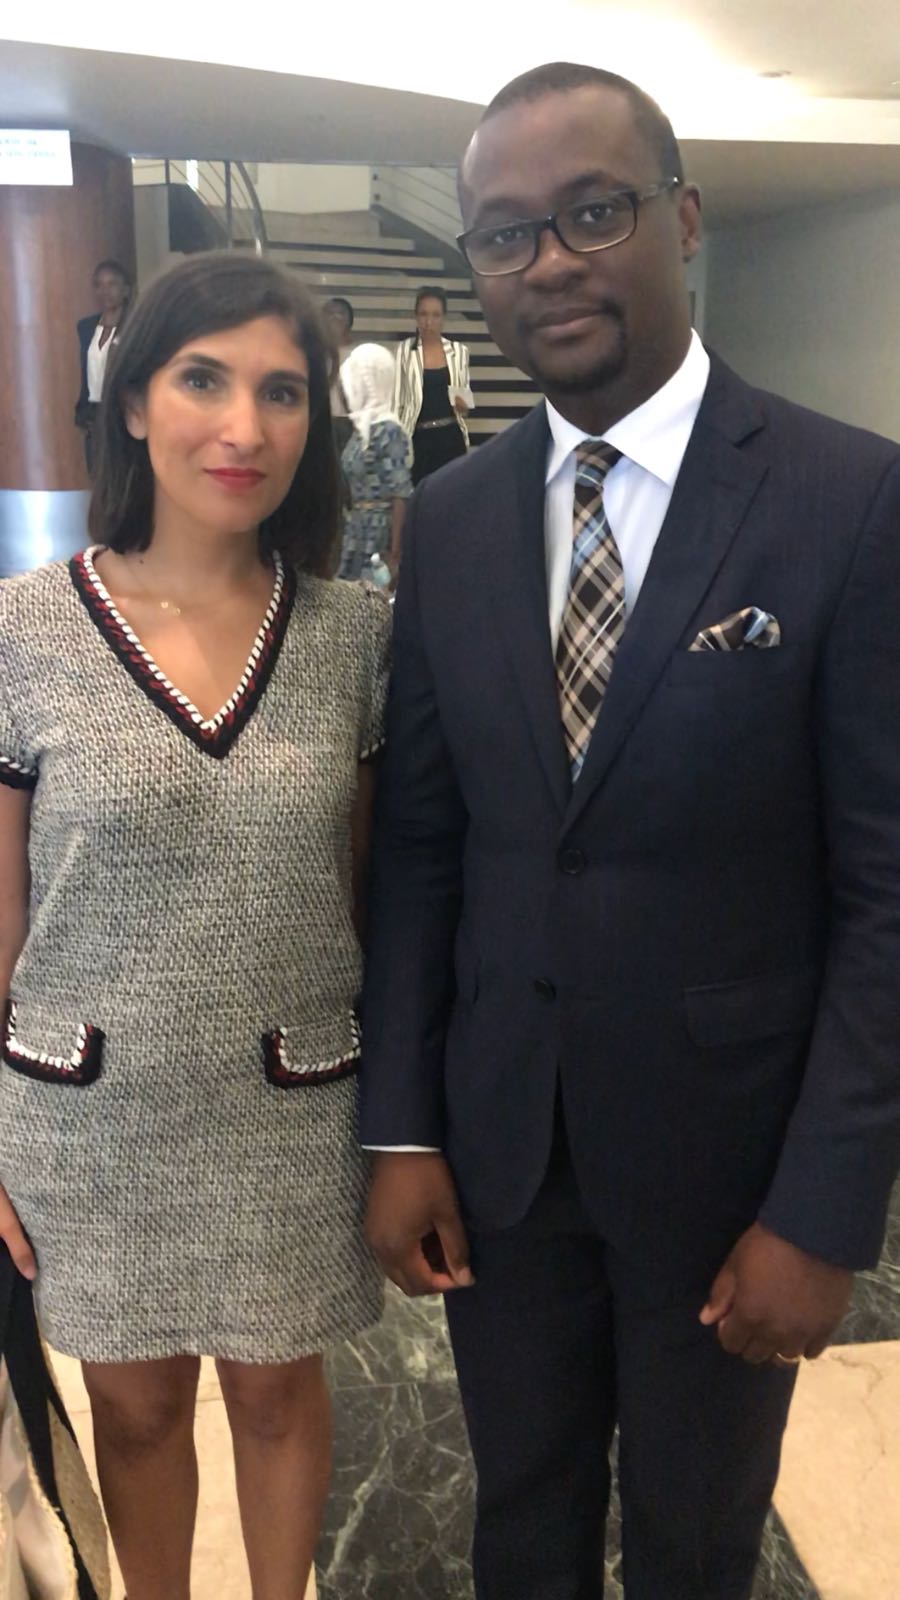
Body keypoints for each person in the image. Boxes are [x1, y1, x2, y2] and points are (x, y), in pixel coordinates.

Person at [361, 61, 900, 1600]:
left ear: (685, 217)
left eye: (593, 212)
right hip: (503, 1153)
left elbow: (886, 889)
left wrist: (822, 1209)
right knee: (521, 1522)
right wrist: (401, 1127)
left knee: (695, 1539)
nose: (548, 262)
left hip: (729, 1168)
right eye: (503, 233)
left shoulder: (849, 500)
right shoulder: (452, 521)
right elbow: (422, 849)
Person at [0, 251, 389, 1600]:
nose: (244, 426)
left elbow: (369, 896)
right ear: (132, 402)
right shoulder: (25, 630)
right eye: (203, 380)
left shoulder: (351, 637)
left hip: (289, 1101)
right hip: (89, 1110)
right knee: (137, 1408)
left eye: (282, 392)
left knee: (279, 1394)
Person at [337, 342, 412, 581]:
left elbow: (401, 494)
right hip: (356, 528)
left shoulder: (389, 430)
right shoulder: (362, 429)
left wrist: (395, 553)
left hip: (378, 535)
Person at [393, 286, 473, 485]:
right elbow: (396, 401)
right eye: (423, 314)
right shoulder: (404, 351)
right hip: (417, 439)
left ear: (444, 317)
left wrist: (464, 405)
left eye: (436, 315)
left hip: (451, 437)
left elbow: (465, 402)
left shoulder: (459, 351)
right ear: (416, 316)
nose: (429, 322)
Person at [75, 258, 131, 475]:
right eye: (99, 284)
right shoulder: (86, 327)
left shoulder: (135, 324)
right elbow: (87, 371)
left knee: (123, 476)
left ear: (126, 289)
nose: (105, 291)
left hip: (122, 413)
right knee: (97, 476)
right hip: (94, 415)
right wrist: (83, 413)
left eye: (112, 284)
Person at [323, 295, 356, 456]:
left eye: (340, 315)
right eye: (330, 315)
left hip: (349, 422)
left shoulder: (357, 355)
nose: (335, 320)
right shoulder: (316, 355)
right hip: (323, 420)